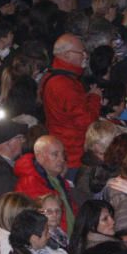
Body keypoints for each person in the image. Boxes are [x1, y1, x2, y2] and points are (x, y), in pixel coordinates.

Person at [41, 34, 101, 179]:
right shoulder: (64, 84)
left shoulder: (54, 77)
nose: (85, 56)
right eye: (81, 52)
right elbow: (85, 121)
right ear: (67, 55)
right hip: (73, 155)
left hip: (65, 149)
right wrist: (95, 98)